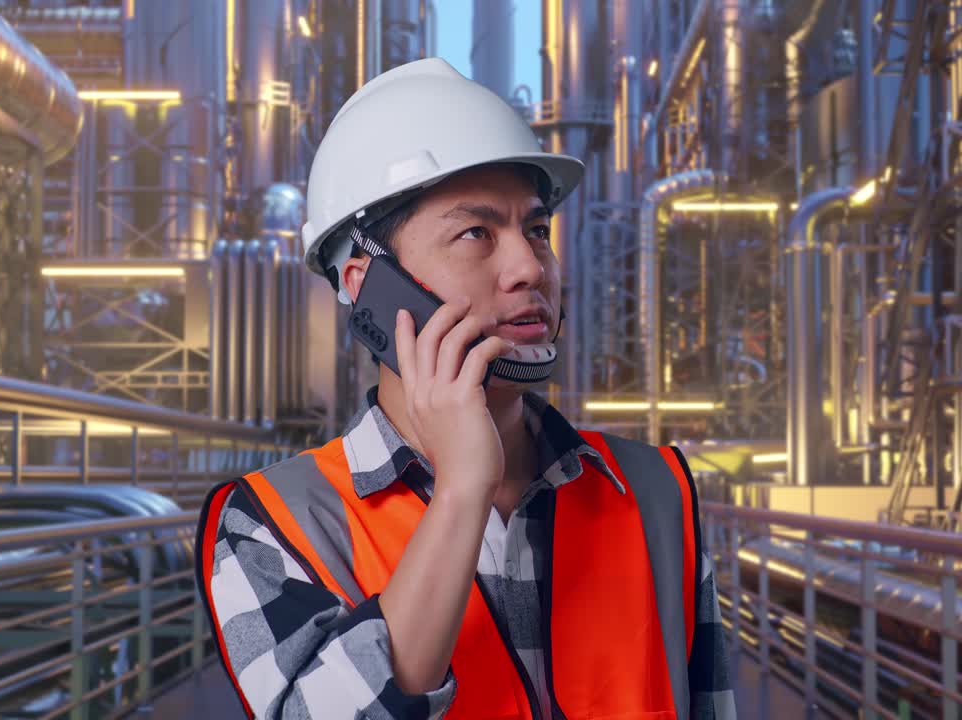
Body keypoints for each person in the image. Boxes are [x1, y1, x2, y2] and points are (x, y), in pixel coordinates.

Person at [195, 57, 735, 719]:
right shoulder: (272, 523)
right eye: (476, 233)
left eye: (537, 229)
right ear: (366, 287)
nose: (529, 266)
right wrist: (461, 492)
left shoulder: (654, 491)